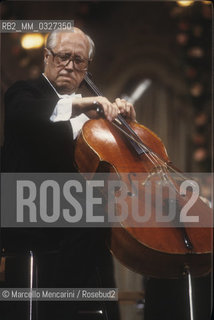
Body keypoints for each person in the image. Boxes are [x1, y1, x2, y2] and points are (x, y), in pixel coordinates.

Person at [0, 27, 135, 320]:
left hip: (71, 225)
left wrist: (124, 124)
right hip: (30, 216)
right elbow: (34, 116)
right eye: (63, 57)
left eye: (79, 60)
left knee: (98, 218)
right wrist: (84, 105)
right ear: (47, 57)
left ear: (87, 66)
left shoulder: (89, 117)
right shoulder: (23, 93)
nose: (70, 66)